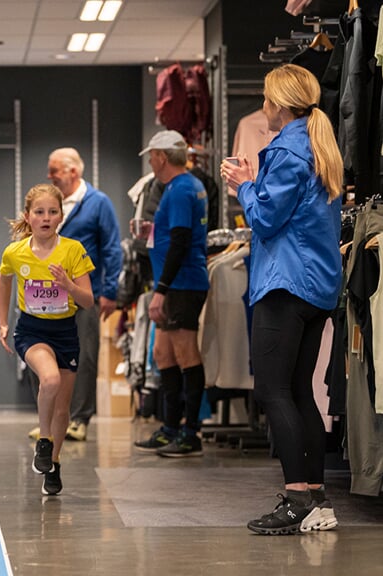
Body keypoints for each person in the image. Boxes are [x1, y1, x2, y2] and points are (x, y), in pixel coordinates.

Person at [220, 63, 343, 535]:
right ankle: (314, 497)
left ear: (280, 104)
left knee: (273, 391)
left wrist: (244, 187)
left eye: (266, 100)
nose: (263, 108)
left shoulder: (288, 151)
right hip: (316, 287)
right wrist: (256, 182)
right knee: (299, 393)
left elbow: (266, 219)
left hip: (283, 284)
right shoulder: (317, 146)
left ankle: (297, 499)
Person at [0, 183, 95, 496]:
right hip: (32, 330)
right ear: (28, 216)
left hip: (65, 331)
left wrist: (67, 283)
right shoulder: (15, 252)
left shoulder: (73, 250)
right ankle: (43, 439)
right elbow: (3, 282)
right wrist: (2, 322)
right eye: (39, 212)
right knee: (49, 380)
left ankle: (53, 463)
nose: (46, 217)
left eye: (52, 212)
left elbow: (89, 300)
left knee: (63, 408)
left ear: (60, 217)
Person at [132, 130, 209, 458]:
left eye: (152, 156)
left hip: (181, 284)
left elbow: (180, 242)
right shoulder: (183, 187)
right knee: (163, 354)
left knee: (185, 354)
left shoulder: (180, 190)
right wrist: (152, 232)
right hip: (176, 283)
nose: (150, 161)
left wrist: (160, 291)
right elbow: (175, 235)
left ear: (162, 157)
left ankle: (190, 433)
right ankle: (170, 428)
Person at [44, 148, 122, 442]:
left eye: (54, 171)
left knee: (85, 356)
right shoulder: (49, 203)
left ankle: (80, 419)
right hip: (48, 295)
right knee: (47, 354)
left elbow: (112, 248)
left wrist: (110, 291)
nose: (49, 176)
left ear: (72, 172)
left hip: (85, 293)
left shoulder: (97, 203)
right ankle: (49, 420)